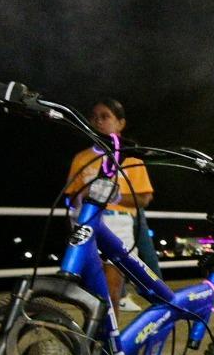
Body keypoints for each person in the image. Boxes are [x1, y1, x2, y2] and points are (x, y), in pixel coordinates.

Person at [64, 98, 154, 311]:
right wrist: (79, 198)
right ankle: (94, 337)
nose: (98, 122)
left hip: (117, 226)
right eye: (94, 118)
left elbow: (143, 198)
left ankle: (107, 341)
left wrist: (109, 196)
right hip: (85, 224)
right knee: (90, 291)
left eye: (105, 117)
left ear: (121, 123)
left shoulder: (131, 158)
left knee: (111, 291)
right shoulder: (81, 158)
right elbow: (69, 197)